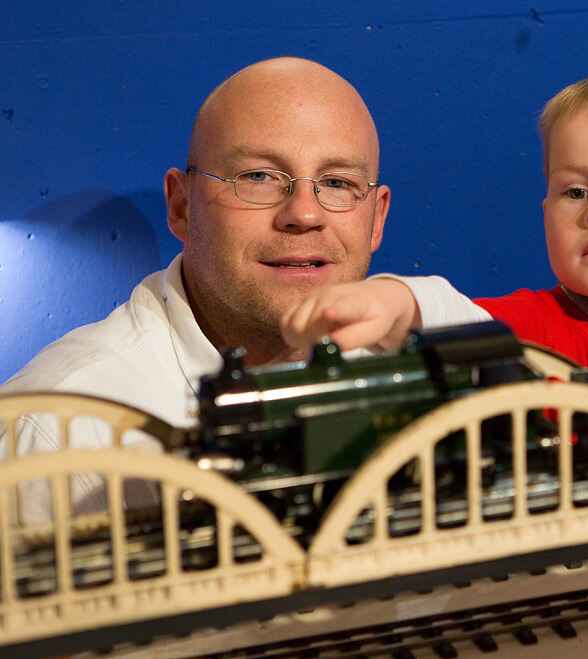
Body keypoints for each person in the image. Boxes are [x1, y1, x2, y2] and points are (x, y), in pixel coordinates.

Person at [0, 57, 487, 521]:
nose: (304, 213)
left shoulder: (417, 348)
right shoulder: (59, 432)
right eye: (258, 177)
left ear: (376, 219)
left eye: (337, 183)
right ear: (181, 207)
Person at [282, 70, 588, 366]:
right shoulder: (533, 330)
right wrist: (395, 303)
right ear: (547, 215)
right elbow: (452, 320)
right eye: (576, 191)